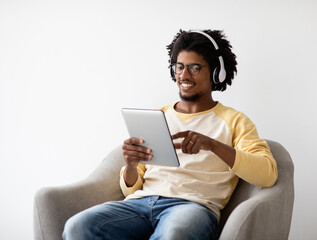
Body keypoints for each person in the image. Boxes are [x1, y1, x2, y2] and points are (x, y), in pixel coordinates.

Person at [62, 29, 278, 240]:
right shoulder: (158, 116)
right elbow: (130, 190)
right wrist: (130, 165)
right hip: (139, 204)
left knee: (174, 234)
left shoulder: (235, 121)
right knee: (77, 227)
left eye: (194, 68)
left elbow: (267, 174)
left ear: (215, 72)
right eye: (179, 67)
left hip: (192, 207)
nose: (184, 75)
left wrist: (213, 145)